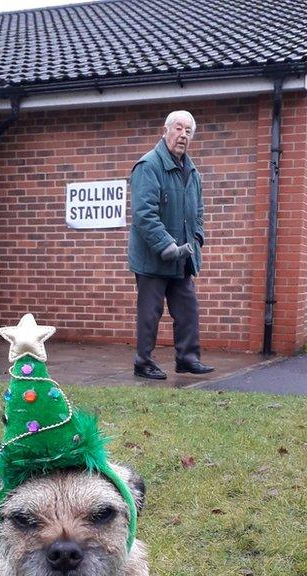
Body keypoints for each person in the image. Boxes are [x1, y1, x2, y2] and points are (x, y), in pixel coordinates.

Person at [128, 110, 215, 379]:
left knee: (188, 308)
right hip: (153, 259)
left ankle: (187, 359)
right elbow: (144, 214)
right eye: (178, 128)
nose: (183, 135)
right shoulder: (149, 166)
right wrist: (166, 245)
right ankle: (143, 362)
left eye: (188, 131)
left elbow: (197, 211)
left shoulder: (193, 172)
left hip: (183, 258)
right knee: (150, 314)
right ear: (165, 131)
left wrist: (197, 237)